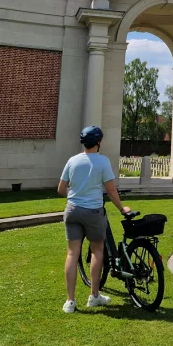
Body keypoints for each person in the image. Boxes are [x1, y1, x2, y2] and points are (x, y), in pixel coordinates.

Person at [57, 125, 131, 313]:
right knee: (98, 251)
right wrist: (122, 209)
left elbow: (60, 188)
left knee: (72, 254)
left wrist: (75, 197)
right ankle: (94, 296)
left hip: (72, 210)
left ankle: (70, 302)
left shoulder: (72, 161)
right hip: (93, 211)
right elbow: (111, 190)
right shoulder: (102, 162)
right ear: (98, 142)